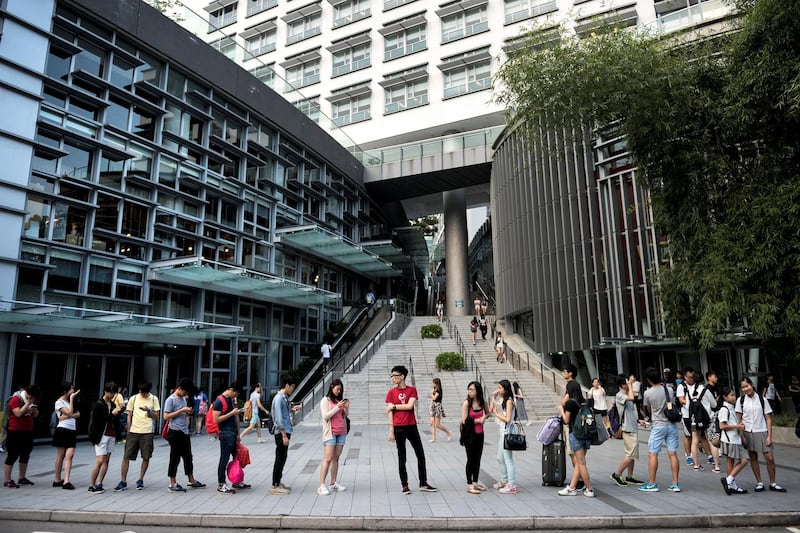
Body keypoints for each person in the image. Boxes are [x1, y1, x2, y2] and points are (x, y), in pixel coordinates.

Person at [386, 365, 437, 495]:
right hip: (398, 428)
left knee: (420, 454)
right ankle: (404, 485)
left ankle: (423, 482)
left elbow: (409, 406)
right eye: (391, 375)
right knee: (401, 456)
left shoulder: (412, 390)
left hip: (411, 426)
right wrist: (391, 430)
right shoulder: (391, 392)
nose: (392, 378)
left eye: (395, 375)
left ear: (402, 376)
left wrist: (394, 406)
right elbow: (389, 412)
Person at [735, 376, 786, 492]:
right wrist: (742, 436)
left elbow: (768, 419)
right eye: (743, 387)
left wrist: (769, 436)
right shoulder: (740, 401)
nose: (746, 389)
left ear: (752, 385)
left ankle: (773, 483)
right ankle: (759, 482)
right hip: (748, 431)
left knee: (770, 458)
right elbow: (738, 421)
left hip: (761, 430)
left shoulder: (762, 399)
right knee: (753, 457)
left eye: (747, 386)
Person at [640, 367, 681, 493]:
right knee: (673, 453)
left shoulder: (648, 393)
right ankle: (675, 483)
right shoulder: (668, 389)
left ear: (648, 379)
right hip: (672, 424)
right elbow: (672, 403)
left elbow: (647, 408)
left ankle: (652, 483)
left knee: (653, 453)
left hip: (658, 425)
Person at [114, 381, 160, 492]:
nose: (142, 394)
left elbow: (157, 416)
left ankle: (140, 479)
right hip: (134, 432)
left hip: (147, 432)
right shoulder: (133, 398)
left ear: (148, 391)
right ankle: (123, 481)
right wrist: (129, 429)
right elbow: (129, 414)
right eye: (140, 391)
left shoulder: (154, 399)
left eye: (144, 392)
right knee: (126, 456)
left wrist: (149, 411)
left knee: (146, 456)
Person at [164, 378, 205, 492]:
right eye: (185, 392)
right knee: (175, 457)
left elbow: (183, 412)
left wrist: (187, 411)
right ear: (180, 388)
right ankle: (172, 483)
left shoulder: (183, 398)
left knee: (188, 457)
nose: (186, 394)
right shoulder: (171, 400)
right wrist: (181, 410)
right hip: (175, 431)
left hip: (184, 431)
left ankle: (191, 480)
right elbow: (166, 416)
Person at [3, 384, 40, 488]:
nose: (32, 399)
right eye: (30, 397)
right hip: (15, 431)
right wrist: (26, 404)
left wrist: (34, 409)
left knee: (25, 455)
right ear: (27, 393)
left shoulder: (33, 399)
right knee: (12, 455)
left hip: (27, 431)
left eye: (33, 398)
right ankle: (7, 480)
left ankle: (22, 477)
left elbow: (36, 415)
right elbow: (18, 414)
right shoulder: (15, 399)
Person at [610, 375, 645, 486]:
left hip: (632, 426)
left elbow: (630, 412)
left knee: (632, 454)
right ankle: (617, 474)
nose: (629, 384)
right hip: (627, 428)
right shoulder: (620, 395)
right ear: (622, 384)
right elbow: (632, 397)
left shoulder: (625, 394)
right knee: (630, 454)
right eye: (627, 382)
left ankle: (629, 476)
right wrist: (630, 386)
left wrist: (639, 421)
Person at [317, 378, 349, 495]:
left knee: (336, 458)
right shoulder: (325, 400)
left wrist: (345, 407)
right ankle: (321, 485)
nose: (339, 392)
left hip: (341, 432)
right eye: (337, 389)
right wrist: (337, 407)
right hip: (330, 433)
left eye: (341, 390)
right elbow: (325, 416)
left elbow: (345, 415)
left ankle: (333, 483)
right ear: (332, 387)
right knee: (328, 458)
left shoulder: (338, 400)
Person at [87, 381, 120, 493]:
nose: (113, 395)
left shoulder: (113, 404)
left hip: (111, 434)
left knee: (106, 460)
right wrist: (112, 414)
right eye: (112, 392)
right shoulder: (99, 404)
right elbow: (99, 421)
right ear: (105, 391)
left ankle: (100, 483)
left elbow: (114, 420)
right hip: (101, 435)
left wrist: (118, 412)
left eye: (114, 393)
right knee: (100, 460)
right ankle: (91, 485)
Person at [271, 376, 301, 495]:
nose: (293, 389)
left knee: (282, 457)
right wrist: (284, 435)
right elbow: (278, 419)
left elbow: (283, 413)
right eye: (292, 387)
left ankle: (278, 481)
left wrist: (292, 409)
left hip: (285, 431)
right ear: (287, 385)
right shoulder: (279, 399)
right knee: (280, 458)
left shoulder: (283, 398)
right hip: (281, 432)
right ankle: (275, 484)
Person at [686, 371, 721, 473]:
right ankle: (717, 466)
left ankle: (696, 465)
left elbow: (688, 407)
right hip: (708, 419)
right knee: (711, 441)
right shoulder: (705, 390)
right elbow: (714, 405)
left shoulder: (689, 391)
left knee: (694, 440)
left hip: (694, 420)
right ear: (703, 380)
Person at [718, 386, 749, 495]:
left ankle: (731, 484)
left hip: (733, 438)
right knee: (744, 460)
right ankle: (729, 480)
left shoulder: (730, 408)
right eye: (731, 395)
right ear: (724, 397)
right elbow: (722, 426)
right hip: (730, 439)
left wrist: (740, 433)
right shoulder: (724, 409)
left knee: (730, 461)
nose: (734, 397)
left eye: (734, 395)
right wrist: (738, 427)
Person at [214, 381, 243, 494]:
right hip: (225, 433)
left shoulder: (231, 400)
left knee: (236, 457)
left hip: (233, 432)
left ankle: (236, 479)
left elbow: (235, 416)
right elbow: (216, 419)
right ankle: (221, 483)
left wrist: (238, 433)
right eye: (235, 394)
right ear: (231, 390)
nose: (236, 397)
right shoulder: (219, 401)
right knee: (224, 458)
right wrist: (232, 413)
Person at [461, 381, 489, 494]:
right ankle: (469, 484)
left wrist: (485, 417)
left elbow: (488, 413)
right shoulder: (467, 403)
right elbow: (464, 420)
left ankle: (476, 482)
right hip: (469, 435)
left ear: (478, 390)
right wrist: (478, 420)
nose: (470, 391)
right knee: (471, 459)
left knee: (478, 459)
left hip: (480, 434)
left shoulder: (483, 402)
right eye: (469, 389)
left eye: (472, 389)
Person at [491, 380, 518, 494]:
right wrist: (494, 397)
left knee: (508, 459)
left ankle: (511, 485)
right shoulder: (503, 399)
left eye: (500, 388)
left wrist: (497, 414)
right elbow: (490, 409)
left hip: (507, 431)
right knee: (500, 458)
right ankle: (504, 480)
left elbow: (507, 419)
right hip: (503, 430)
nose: (498, 390)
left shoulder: (509, 401)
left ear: (506, 389)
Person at [52, 381, 80, 490]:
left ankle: (66, 480)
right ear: (66, 391)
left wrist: (68, 415)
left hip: (72, 430)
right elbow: (69, 412)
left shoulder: (69, 402)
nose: (73, 391)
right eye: (71, 389)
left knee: (70, 455)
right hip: (62, 430)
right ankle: (57, 479)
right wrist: (71, 402)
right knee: (61, 455)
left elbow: (77, 413)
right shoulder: (59, 402)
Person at [675, 368, 694, 466]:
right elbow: (681, 400)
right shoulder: (682, 387)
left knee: (700, 436)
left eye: (693, 377)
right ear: (685, 377)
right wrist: (693, 403)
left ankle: (709, 456)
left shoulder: (697, 385)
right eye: (690, 377)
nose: (692, 379)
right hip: (686, 414)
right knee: (688, 436)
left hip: (697, 415)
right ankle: (688, 455)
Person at [427, 378, 451, 443]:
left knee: (437, 424)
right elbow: (433, 398)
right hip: (433, 406)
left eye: (434, 383)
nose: (433, 384)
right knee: (432, 423)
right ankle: (433, 438)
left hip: (437, 406)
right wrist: (431, 395)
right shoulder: (434, 389)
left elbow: (434, 398)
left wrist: (431, 395)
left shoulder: (438, 390)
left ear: (437, 383)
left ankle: (448, 433)